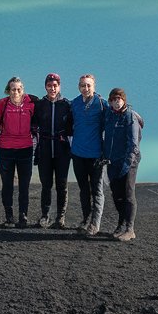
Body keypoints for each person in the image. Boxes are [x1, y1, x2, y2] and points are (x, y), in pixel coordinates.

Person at [32, 72, 73, 228]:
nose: (52, 88)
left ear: (59, 86)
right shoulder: (40, 105)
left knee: (62, 185)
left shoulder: (67, 105)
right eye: (49, 85)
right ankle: (45, 216)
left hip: (62, 150)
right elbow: (33, 125)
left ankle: (60, 217)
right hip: (45, 149)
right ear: (45, 86)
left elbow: (73, 127)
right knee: (46, 184)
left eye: (55, 85)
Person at [102, 87, 142, 241]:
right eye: (112, 100)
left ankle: (129, 229)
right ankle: (121, 224)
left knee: (128, 194)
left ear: (124, 100)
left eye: (118, 99)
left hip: (129, 162)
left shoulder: (129, 117)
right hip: (113, 161)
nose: (115, 102)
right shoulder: (110, 116)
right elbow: (107, 139)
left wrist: (128, 162)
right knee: (117, 195)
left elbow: (133, 143)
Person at [0, 77, 36, 228]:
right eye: (13, 89)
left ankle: (23, 215)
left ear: (23, 90)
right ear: (8, 90)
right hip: (6, 148)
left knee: (24, 185)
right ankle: (9, 216)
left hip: (25, 148)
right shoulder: (2, 104)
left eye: (19, 89)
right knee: (7, 184)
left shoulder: (31, 103)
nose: (16, 92)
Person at [70, 73, 106, 235]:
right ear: (79, 87)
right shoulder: (75, 103)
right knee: (83, 189)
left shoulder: (102, 104)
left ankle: (95, 223)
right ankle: (85, 219)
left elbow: (111, 123)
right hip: (78, 153)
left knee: (96, 189)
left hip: (96, 154)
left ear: (94, 86)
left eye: (88, 85)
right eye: (83, 85)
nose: (85, 88)